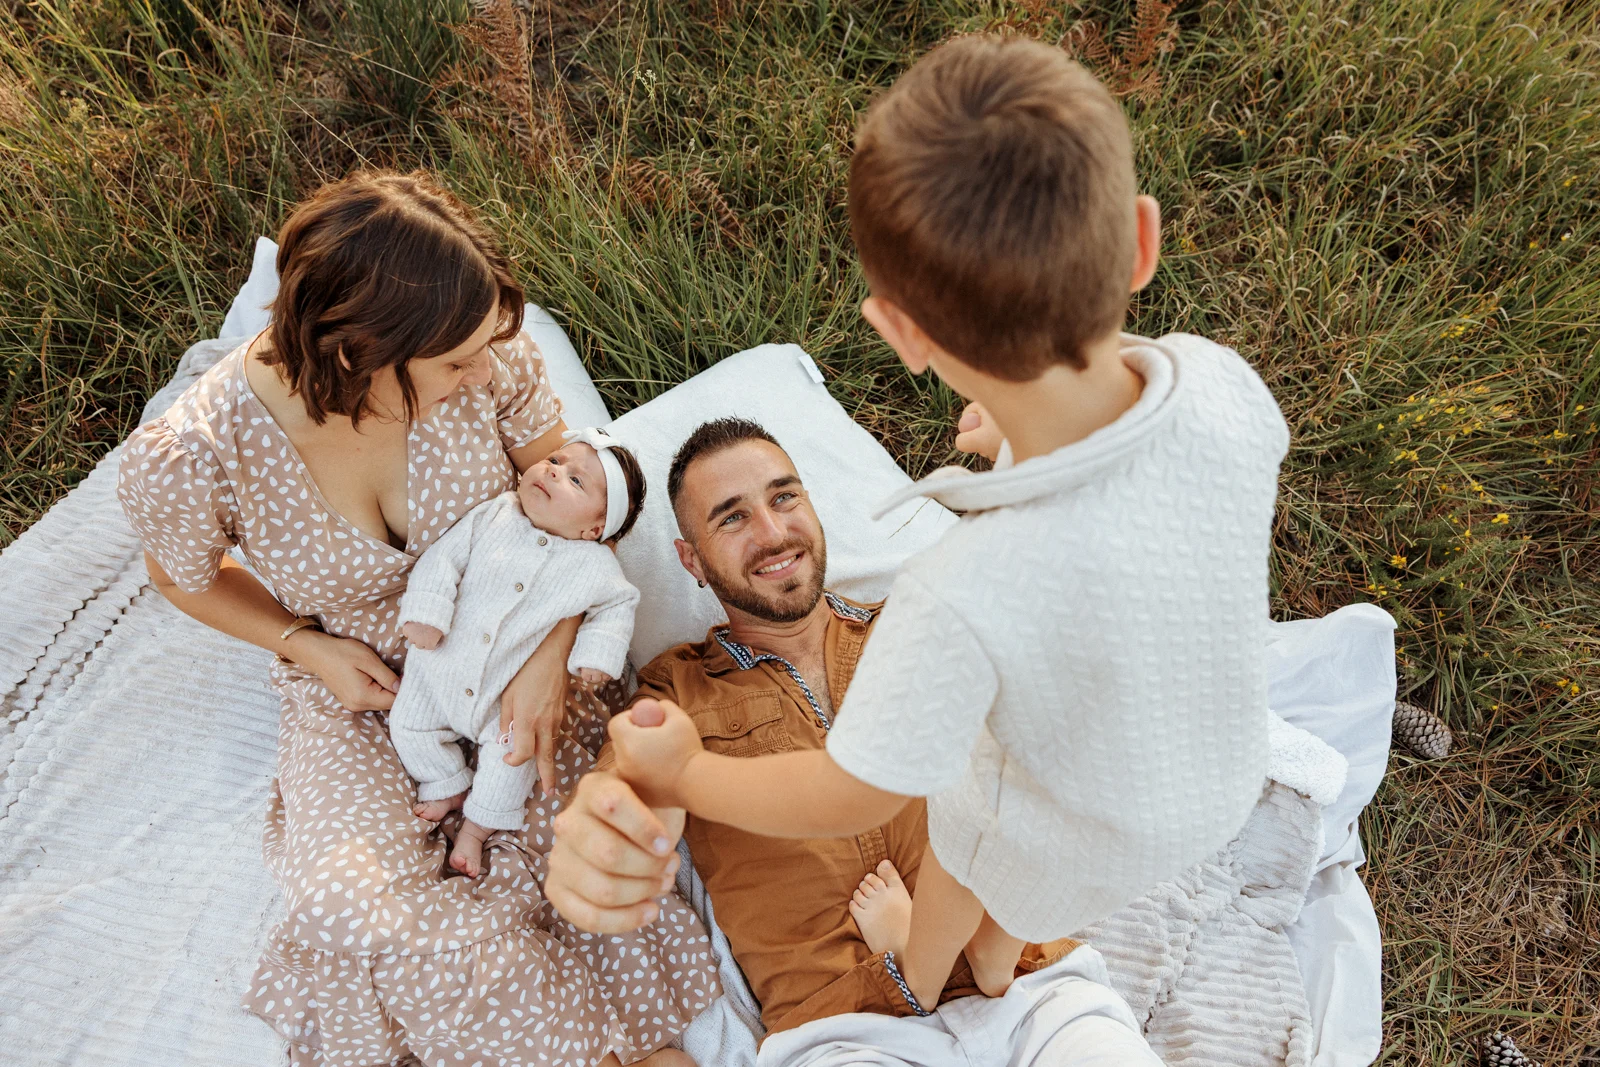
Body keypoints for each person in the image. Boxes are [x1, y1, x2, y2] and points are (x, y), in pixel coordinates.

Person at [607, 33, 1288, 1012]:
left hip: (1067, 821)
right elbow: (1122, 461)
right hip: (1210, 778)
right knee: (1023, 892)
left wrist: (686, 774)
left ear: (903, 334)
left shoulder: (961, 589)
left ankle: (932, 980)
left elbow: (856, 790)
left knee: (976, 832)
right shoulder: (1227, 388)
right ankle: (1001, 965)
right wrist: (1014, 432)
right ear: (1140, 240)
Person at [117, 170, 718, 1066]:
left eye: (484, 350)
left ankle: (633, 1046)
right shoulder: (197, 455)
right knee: (356, 906)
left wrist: (551, 648)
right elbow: (181, 579)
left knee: (578, 861)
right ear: (359, 351)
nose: (482, 371)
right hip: (359, 689)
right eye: (455, 363)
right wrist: (302, 643)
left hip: (520, 651)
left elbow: (564, 504)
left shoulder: (490, 364)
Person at [546, 418, 1163, 1065]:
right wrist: (609, 818)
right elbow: (639, 770)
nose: (773, 531)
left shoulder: (919, 625)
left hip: (1030, 990)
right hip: (841, 1032)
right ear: (691, 560)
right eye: (732, 518)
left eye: (785, 497)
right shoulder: (677, 686)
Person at [394, 428, 646, 878]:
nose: (553, 470)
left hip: (506, 699)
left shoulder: (594, 566)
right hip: (439, 670)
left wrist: (598, 655)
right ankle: (445, 782)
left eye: (576, 481)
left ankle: (476, 828)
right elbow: (442, 559)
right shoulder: (495, 515)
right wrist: (427, 612)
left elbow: (618, 605)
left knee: (516, 757)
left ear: (594, 529)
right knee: (408, 723)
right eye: (555, 459)